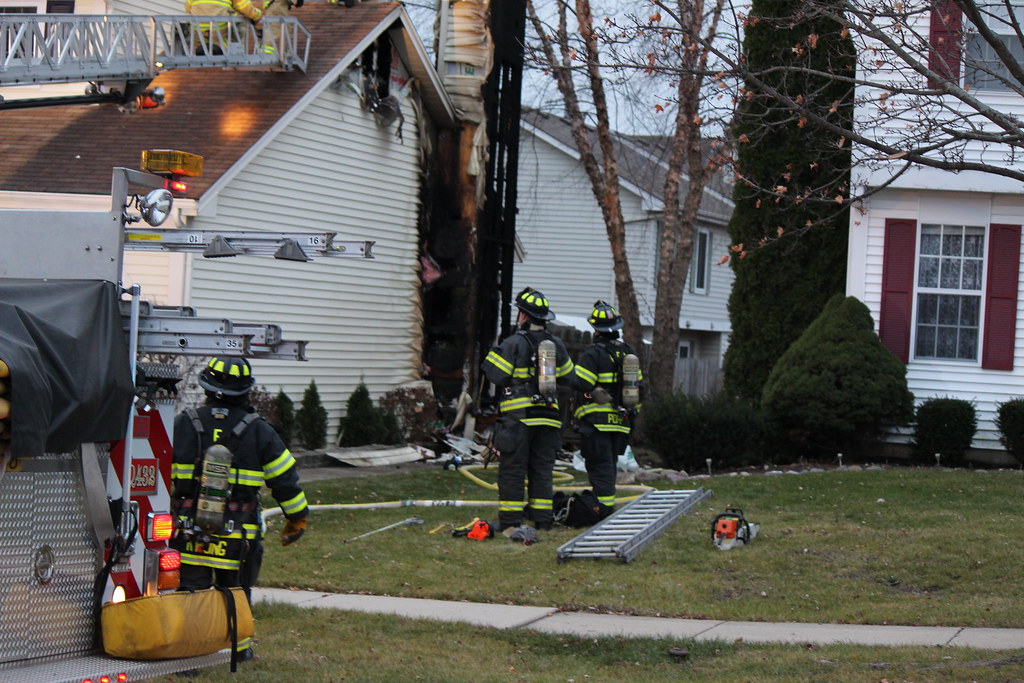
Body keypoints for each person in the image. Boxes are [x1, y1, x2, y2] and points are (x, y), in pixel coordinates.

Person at [170, 356, 308, 660]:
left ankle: (188, 656)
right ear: (246, 391)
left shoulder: (183, 423)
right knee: (236, 592)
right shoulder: (260, 431)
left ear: (206, 386)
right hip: (238, 538)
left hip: (190, 533)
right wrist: (296, 518)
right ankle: (238, 652)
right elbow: (285, 481)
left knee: (192, 594)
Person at [483, 287, 574, 531]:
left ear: (523, 315)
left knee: (513, 470)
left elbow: (496, 375)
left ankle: (512, 522)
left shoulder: (513, 343)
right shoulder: (556, 344)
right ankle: (542, 520)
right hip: (549, 418)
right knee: (542, 470)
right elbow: (568, 377)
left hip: (519, 420)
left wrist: (493, 352)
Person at [572, 301, 644, 519]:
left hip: (596, 424)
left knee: (600, 469)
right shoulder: (629, 353)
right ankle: (604, 509)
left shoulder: (593, 353)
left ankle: (603, 514)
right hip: (621, 423)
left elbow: (581, 383)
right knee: (609, 468)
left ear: (596, 329)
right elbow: (639, 389)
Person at [185, 0, 264, 55]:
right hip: (219, 30)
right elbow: (245, 8)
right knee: (240, 18)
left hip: (198, 32)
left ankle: (201, 46)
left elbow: (188, 9)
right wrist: (257, 16)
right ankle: (232, 47)